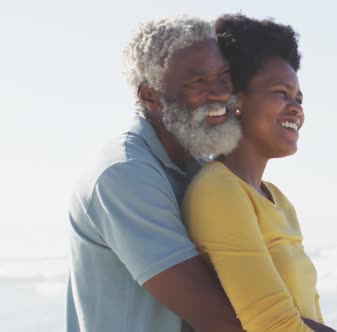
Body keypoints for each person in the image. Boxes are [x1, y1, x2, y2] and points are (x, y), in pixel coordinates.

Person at [66, 16, 246, 332]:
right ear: (150, 96)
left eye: (224, 75)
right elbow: (216, 316)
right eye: (197, 82)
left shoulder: (198, 168)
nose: (220, 93)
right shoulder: (124, 174)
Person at [182, 14, 336, 332]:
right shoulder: (218, 189)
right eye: (281, 93)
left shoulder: (278, 200)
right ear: (236, 100)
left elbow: (310, 314)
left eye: (299, 98)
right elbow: (271, 324)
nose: (296, 108)